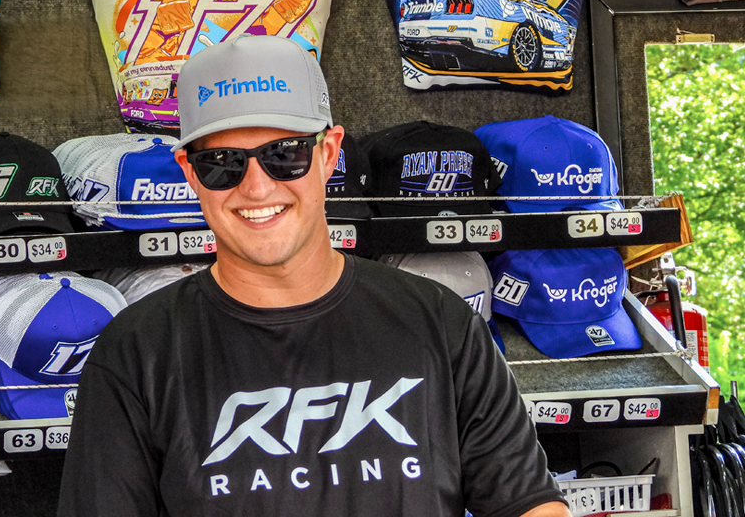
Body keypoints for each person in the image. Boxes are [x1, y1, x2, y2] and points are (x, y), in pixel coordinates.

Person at [58, 36, 569, 517]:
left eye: (285, 155)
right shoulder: (136, 351)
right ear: (190, 173)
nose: (257, 187)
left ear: (327, 155)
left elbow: (529, 504)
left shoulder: (441, 323)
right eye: (222, 163)